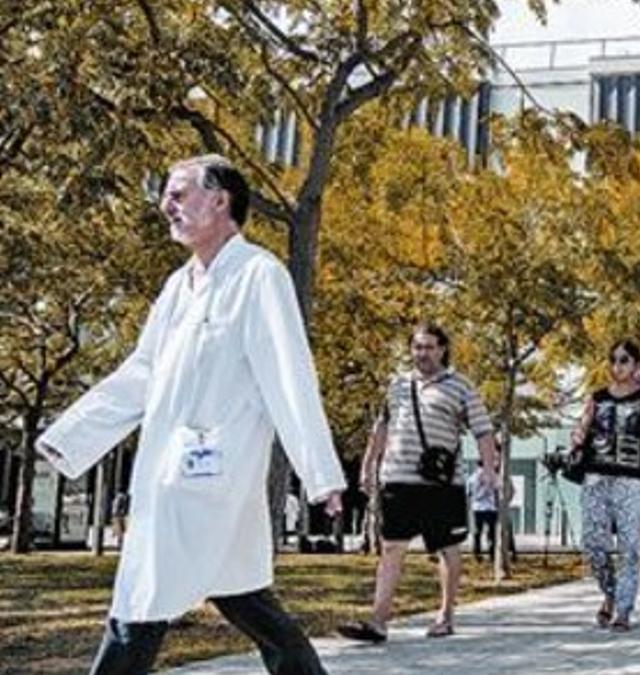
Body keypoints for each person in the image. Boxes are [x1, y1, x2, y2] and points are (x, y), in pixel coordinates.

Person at [35, 155, 346, 675]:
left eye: (179, 194)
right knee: (243, 598)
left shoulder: (259, 276)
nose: (166, 205)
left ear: (220, 200)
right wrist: (71, 435)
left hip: (212, 478)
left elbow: (289, 378)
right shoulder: (179, 286)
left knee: (140, 602)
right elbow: (142, 373)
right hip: (172, 475)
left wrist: (321, 475)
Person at [339, 323, 498, 643]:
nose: (421, 353)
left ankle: (445, 615)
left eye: (428, 347)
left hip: (441, 484)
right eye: (416, 347)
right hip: (397, 479)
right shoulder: (396, 385)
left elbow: (483, 431)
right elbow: (382, 427)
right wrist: (369, 464)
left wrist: (490, 470)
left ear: (442, 349)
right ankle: (378, 622)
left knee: (447, 548)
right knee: (392, 547)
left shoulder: (460, 386)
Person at [572, 339, 640, 632]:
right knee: (593, 545)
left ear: (636, 363)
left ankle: (623, 610)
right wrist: (577, 435)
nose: (617, 365)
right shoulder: (597, 397)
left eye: (624, 360)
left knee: (630, 548)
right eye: (613, 359)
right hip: (597, 477)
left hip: (633, 480)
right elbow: (581, 427)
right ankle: (610, 594)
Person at [467, 460, 499, 562]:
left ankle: (477, 554)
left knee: (477, 532)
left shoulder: (472, 478)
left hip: (477, 508)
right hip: (491, 507)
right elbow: (497, 491)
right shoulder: (493, 477)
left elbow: (469, 493)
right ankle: (492, 555)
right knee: (492, 533)